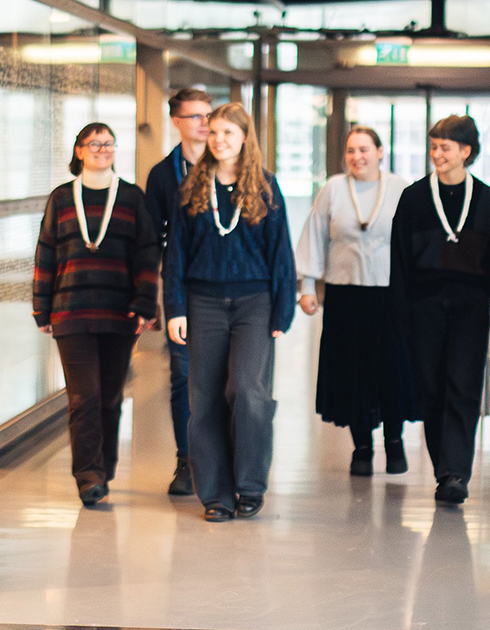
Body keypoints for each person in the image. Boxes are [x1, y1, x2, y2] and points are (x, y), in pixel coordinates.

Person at [163, 103, 296, 522]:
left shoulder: (266, 188)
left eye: (229, 133)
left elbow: (282, 256)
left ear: (244, 139)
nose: (219, 140)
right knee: (203, 399)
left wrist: (282, 312)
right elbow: (176, 256)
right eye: (214, 132)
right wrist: (175, 308)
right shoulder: (192, 188)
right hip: (202, 303)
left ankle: (250, 484)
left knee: (246, 390)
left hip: (255, 303)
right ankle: (216, 495)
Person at [390, 115, 490, 506]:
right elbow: (397, 261)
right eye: (433, 147)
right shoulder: (413, 198)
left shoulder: (488, 200)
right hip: (423, 304)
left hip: (470, 306)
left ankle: (455, 474)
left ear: (466, 152)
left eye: (445, 147)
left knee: (463, 387)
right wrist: (397, 316)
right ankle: (443, 467)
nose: (437, 154)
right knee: (432, 387)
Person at [32, 123, 161, 507]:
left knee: (109, 397)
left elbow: (147, 253)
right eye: (94, 143)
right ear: (79, 150)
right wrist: (42, 307)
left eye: (109, 143)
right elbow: (46, 253)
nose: (102, 149)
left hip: (119, 313)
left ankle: (104, 468)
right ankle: (87, 475)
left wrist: (144, 303)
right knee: (83, 397)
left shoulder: (132, 197)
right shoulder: (61, 198)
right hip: (71, 312)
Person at [296, 125, 417, 476]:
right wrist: (306, 286)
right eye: (351, 151)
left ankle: (394, 442)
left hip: (390, 296)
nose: (357, 157)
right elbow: (315, 237)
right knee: (352, 372)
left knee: (392, 370)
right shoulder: (333, 189)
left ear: (380, 152)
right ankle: (361, 447)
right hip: (345, 294)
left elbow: (413, 243)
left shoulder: (400, 188)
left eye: (364, 149)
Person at [144, 88, 215, 496]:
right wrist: (152, 297)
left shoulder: (228, 165)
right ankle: (186, 461)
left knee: (222, 378)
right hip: (180, 289)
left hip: (222, 287)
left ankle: (220, 457)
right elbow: (152, 241)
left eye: (208, 115)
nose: (204, 124)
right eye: (195, 117)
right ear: (176, 121)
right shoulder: (161, 175)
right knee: (184, 376)